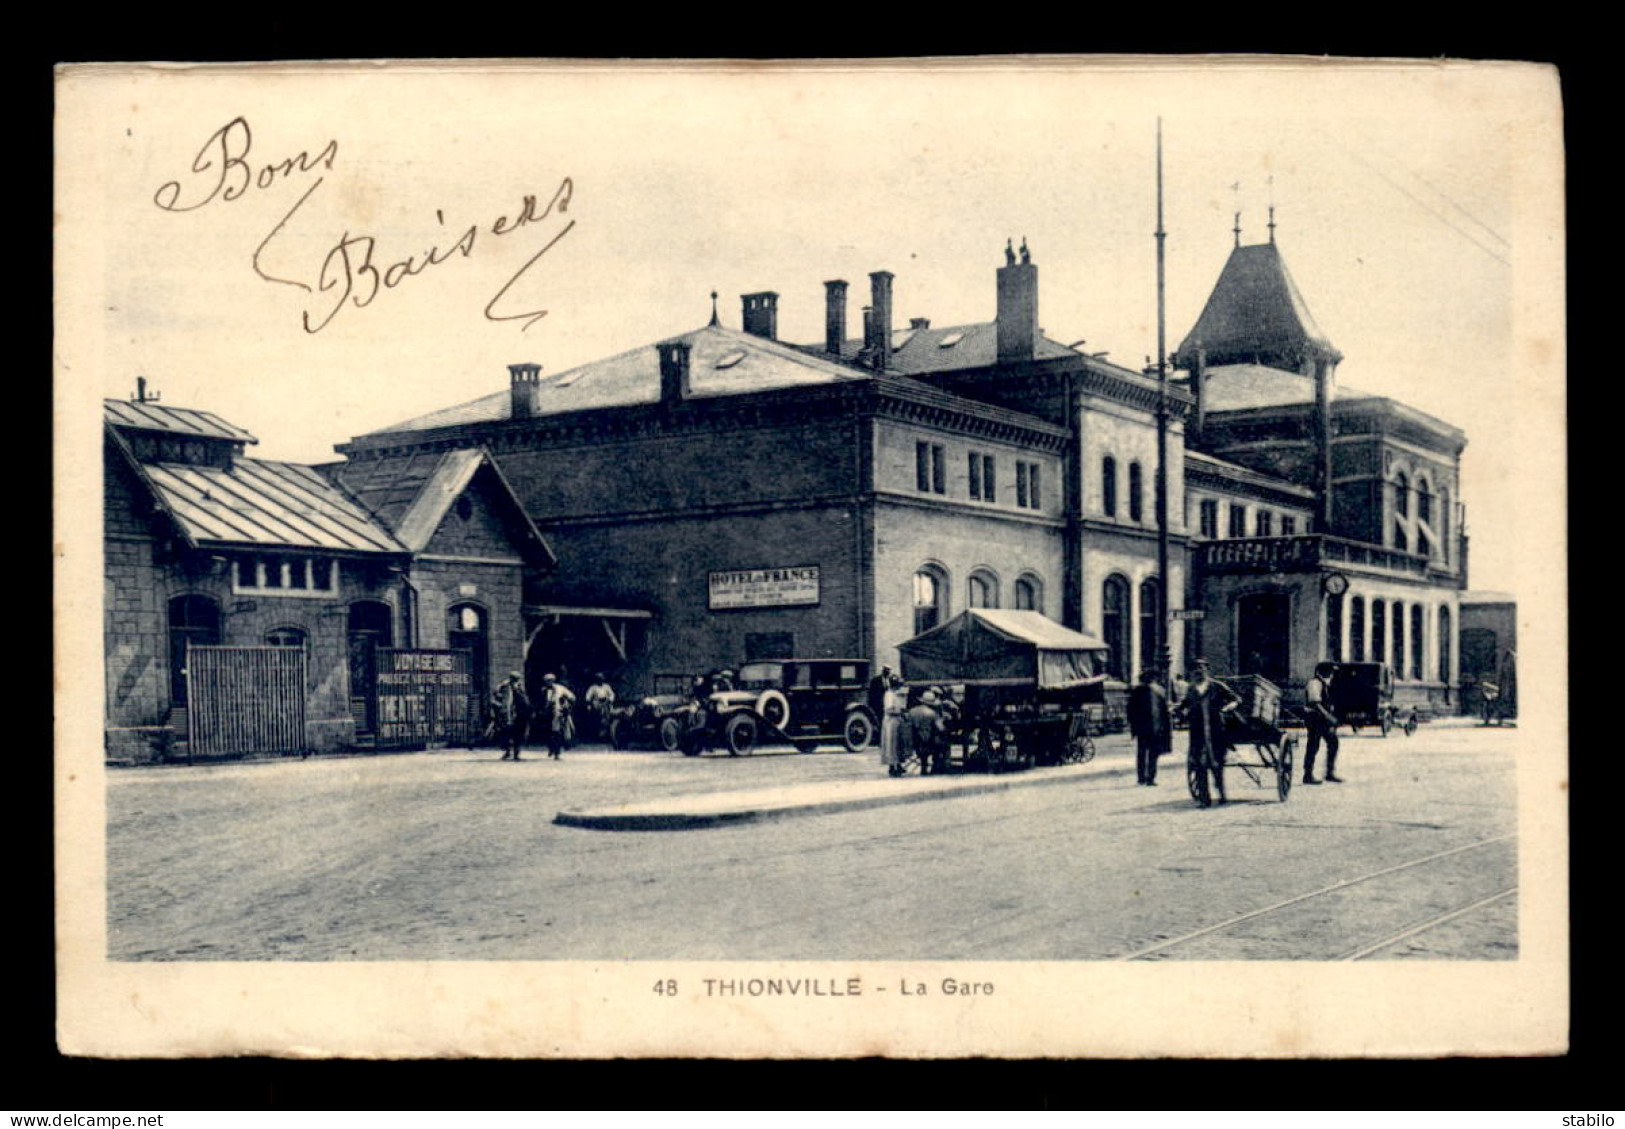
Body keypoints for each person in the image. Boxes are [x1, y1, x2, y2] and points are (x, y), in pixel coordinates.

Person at [1180, 658, 1239, 803]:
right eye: (1196, 669)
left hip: (1216, 730)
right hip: (1197, 732)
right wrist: (1177, 708)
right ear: (1192, 673)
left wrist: (1230, 706)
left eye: (1202, 668)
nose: (1199, 671)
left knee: (1217, 764)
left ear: (1207, 670)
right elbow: (1184, 704)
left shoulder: (1217, 686)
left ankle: (1221, 794)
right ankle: (1204, 798)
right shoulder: (1191, 689)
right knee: (1199, 764)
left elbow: (1236, 699)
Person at [1127, 669, 1172, 786]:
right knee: (1151, 753)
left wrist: (1133, 726)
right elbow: (1164, 712)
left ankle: (1143, 777)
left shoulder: (1138, 691)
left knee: (1144, 753)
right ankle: (1148, 778)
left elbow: (1131, 711)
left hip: (1145, 727)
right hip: (1153, 727)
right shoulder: (1159, 691)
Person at [1302, 662, 1342, 784]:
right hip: (1314, 718)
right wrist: (1329, 717)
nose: (1331, 673)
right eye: (1329, 671)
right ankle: (1308, 775)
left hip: (1321, 719)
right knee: (1313, 745)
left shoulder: (1324, 683)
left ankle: (1329, 772)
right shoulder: (1314, 683)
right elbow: (1315, 703)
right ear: (1321, 671)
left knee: (1332, 742)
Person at [535, 673, 577, 760]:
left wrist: (566, 705)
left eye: (550, 681)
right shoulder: (543, 690)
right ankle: (551, 748)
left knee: (557, 733)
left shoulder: (560, 688)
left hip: (557, 713)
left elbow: (572, 697)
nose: (548, 683)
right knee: (547, 733)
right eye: (546, 681)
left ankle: (557, 752)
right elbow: (540, 702)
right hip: (547, 714)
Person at [490, 671, 531, 761]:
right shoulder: (503, 686)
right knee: (506, 733)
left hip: (519, 714)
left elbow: (524, 700)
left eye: (517, 679)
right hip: (506, 714)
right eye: (514, 679)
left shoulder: (520, 687)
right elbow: (495, 697)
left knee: (518, 734)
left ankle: (516, 753)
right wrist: (499, 706)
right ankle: (507, 752)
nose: (516, 681)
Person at [906, 690, 947, 776]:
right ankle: (936, 767)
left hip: (915, 741)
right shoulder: (932, 713)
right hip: (929, 742)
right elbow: (941, 728)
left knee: (924, 745)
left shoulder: (912, 712)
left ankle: (924, 767)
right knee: (941, 744)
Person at [880, 674, 908, 777]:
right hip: (890, 721)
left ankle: (898, 764)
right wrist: (900, 711)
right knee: (891, 744)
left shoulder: (896, 694)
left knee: (898, 744)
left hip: (896, 720)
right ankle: (892, 766)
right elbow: (888, 709)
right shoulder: (889, 694)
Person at [584, 673, 616, 743]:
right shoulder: (593, 687)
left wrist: (610, 700)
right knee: (599, 717)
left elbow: (612, 694)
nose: (600, 680)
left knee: (607, 717)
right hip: (597, 704)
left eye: (601, 679)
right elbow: (588, 697)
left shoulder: (606, 686)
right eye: (598, 679)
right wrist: (589, 705)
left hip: (606, 704)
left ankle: (606, 735)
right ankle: (599, 736)